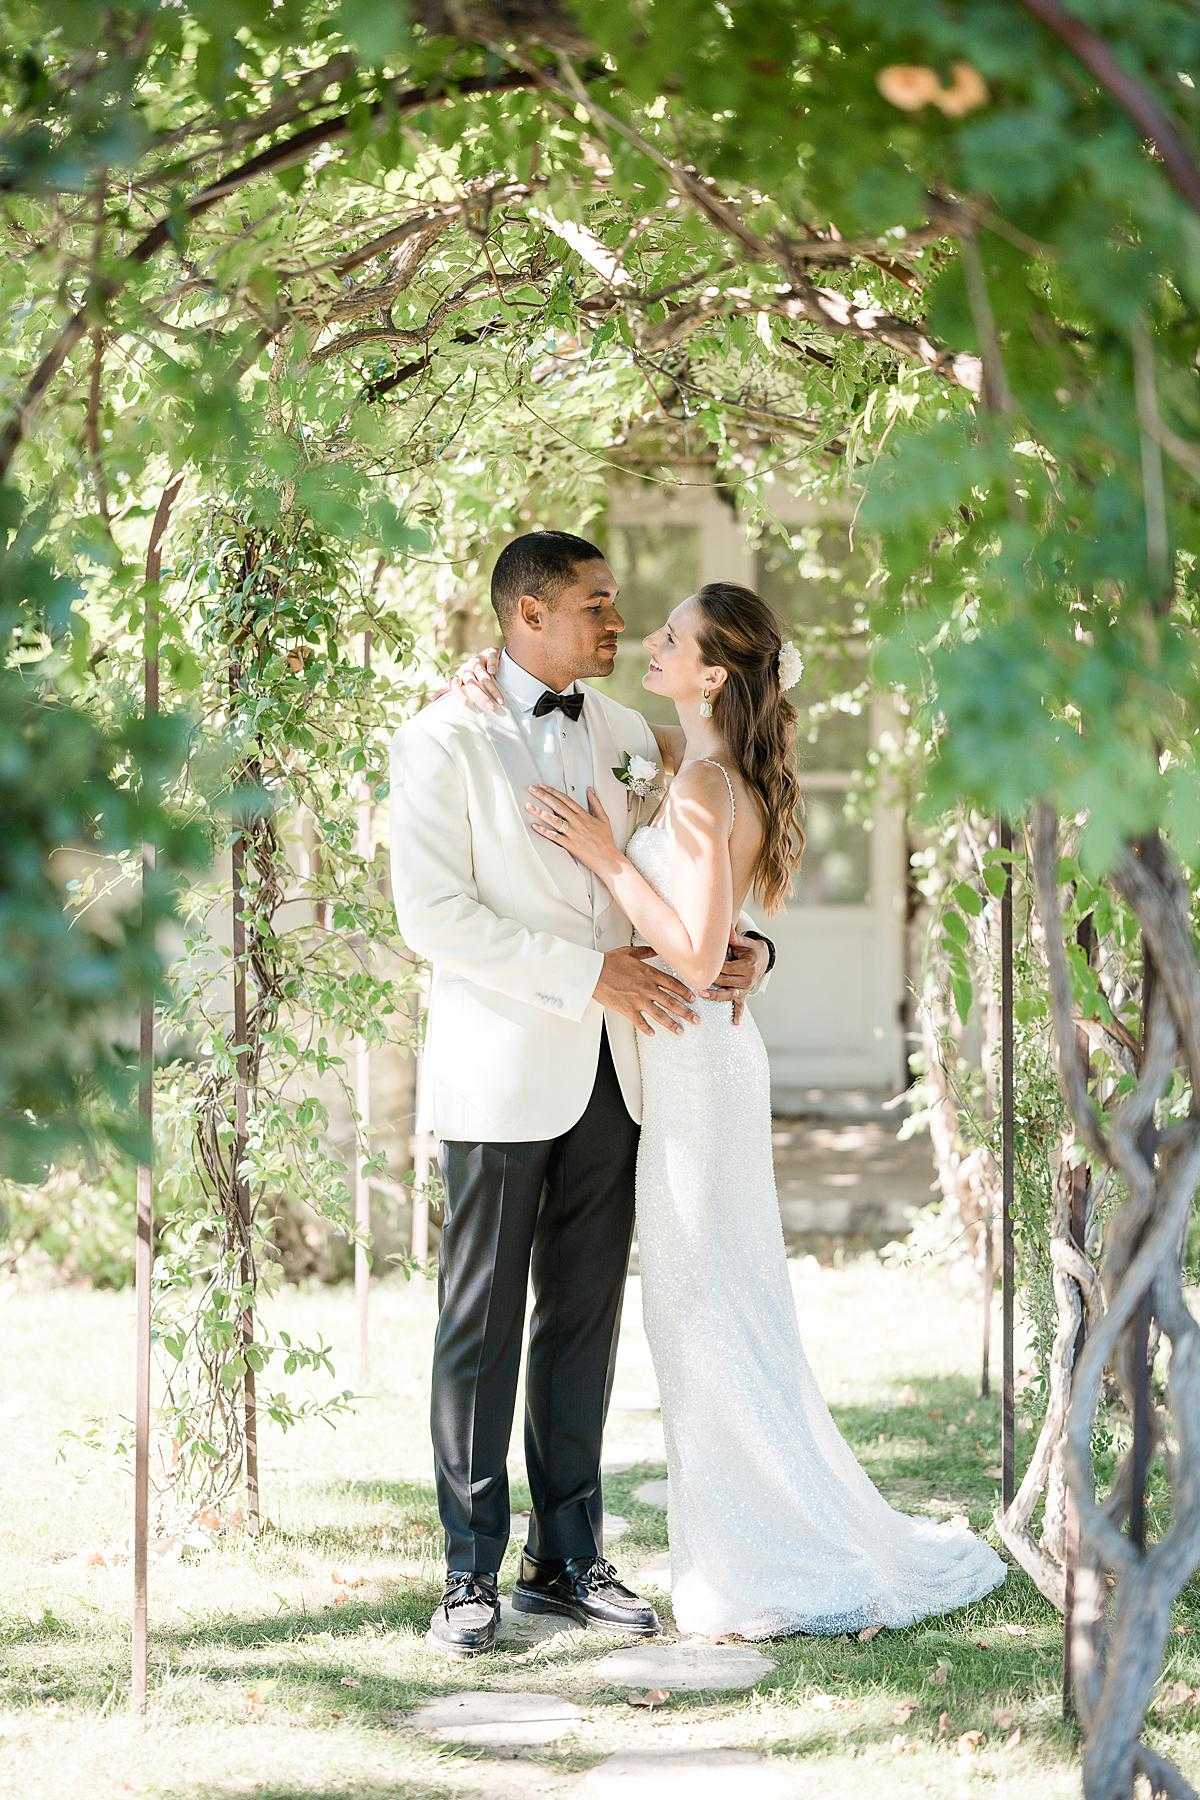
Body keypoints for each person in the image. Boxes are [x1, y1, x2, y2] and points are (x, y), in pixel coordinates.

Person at [456, 577, 1007, 1640]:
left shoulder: (706, 783)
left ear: (713, 672)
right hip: (687, 1063)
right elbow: (720, 927)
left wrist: (607, 856)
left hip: (698, 1075)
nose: (647, 645)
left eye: (669, 638)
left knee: (705, 1313)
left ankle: (759, 1560)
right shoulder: (689, 763)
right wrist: (484, 675)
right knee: (711, 1311)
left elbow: (702, 951)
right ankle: (748, 1538)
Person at [388, 532, 774, 1656]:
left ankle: (568, 1558)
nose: (617, 625)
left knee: (583, 1322)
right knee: (480, 1327)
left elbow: (718, 834)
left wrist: (751, 946)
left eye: (619, 610)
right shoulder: (440, 738)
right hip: (503, 1073)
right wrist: (582, 972)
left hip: (624, 1068)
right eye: (596, 608)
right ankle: (468, 1572)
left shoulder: (622, 732)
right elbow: (434, 918)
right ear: (526, 614)